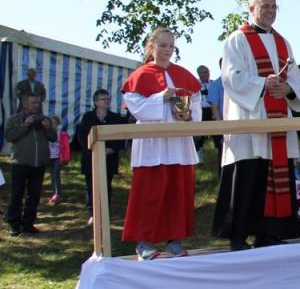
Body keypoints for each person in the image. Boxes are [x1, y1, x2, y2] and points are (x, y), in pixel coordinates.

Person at [213, 0, 300, 251]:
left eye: (274, 6)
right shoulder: (236, 40)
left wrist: (288, 89)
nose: (270, 11)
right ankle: (239, 235)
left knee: (275, 178)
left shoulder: (283, 43)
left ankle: (270, 233)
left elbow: (295, 76)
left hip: (277, 120)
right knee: (247, 178)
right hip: (249, 119)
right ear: (251, 9)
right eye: (264, 6)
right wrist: (262, 83)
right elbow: (231, 77)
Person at [120, 27, 201, 260]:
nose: (167, 50)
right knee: (149, 192)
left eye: (171, 46)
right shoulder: (141, 75)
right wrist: (160, 97)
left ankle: (174, 239)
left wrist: (190, 116)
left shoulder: (183, 73)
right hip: (153, 143)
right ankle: (144, 241)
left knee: (177, 191)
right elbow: (136, 107)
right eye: (162, 45)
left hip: (178, 142)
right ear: (151, 46)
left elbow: (195, 101)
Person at [4, 92, 56, 235]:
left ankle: (28, 224)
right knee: (17, 194)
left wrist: (48, 128)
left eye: (38, 102)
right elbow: (9, 137)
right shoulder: (14, 119)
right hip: (20, 162)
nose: (36, 105)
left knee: (34, 195)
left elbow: (53, 138)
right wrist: (24, 125)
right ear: (25, 103)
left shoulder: (45, 119)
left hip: (39, 163)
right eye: (33, 102)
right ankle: (14, 225)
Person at [75, 88, 127, 226]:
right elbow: (81, 136)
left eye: (108, 99)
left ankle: (104, 213)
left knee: (106, 186)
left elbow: (120, 137)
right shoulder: (88, 117)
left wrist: (112, 149)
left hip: (109, 158)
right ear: (96, 102)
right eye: (103, 99)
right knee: (91, 186)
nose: (107, 101)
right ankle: (93, 213)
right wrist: (91, 149)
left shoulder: (115, 118)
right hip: (91, 157)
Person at [194, 64, 223, 164]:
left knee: (217, 133)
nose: (207, 75)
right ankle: (199, 158)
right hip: (201, 111)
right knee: (199, 135)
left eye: (208, 72)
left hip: (212, 110)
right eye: (204, 73)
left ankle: (218, 155)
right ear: (199, 74)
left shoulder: (213, 83)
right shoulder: (195, 85)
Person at [46, 116, 70, 205]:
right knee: (52, 175)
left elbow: (66, 148)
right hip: (48, 158)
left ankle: (57, 194)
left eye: (54, 123)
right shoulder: (46, 134)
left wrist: (66, 158)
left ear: (58, 124)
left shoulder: (62, 134)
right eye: (50, 124)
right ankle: (54, 192)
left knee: (56, 175)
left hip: (58, 158)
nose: (52, 125)